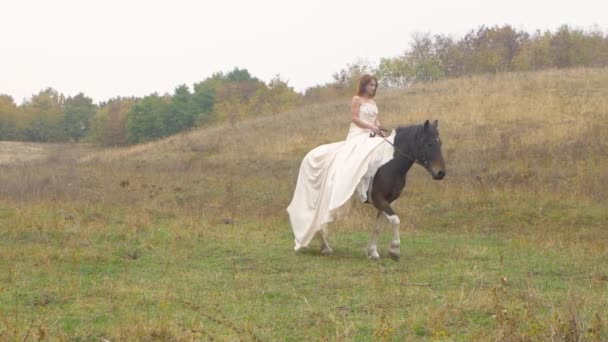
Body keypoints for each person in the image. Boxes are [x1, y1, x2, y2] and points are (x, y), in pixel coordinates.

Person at [287, 74, 395, 251]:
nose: (373, 88)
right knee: (360, 152)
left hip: (372, 133)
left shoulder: (374, 104)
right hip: (358, 134)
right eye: (370, 85)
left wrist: (380, 131)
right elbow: (355, 119)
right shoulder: (357, 100)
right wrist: (371, 128)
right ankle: (358, 185)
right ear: (364, 86)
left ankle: (373, 186)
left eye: (375, 85)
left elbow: (376, 122)